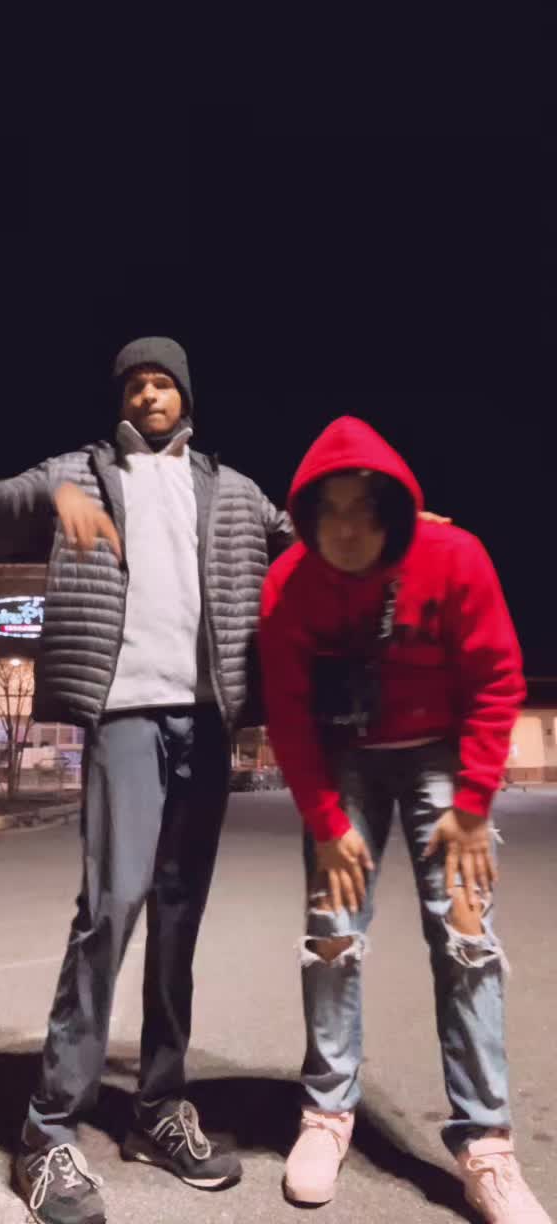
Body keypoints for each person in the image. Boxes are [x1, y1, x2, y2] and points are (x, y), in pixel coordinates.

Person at [0, 337, 293, 1224]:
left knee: (180, 921)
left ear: (186, 396)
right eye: (137, 383)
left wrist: (400, 530)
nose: (150, 394)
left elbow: (314, 547)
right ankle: (48, 1131)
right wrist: (52, 496)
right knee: (111, 910)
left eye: (163, 382)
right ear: (121, 399)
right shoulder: (80, 470)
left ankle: (158, 1107)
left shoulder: (232, 488)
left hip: (206, 719)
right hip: (125, 714)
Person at [259, 416, 551, 1223]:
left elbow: (497, 678)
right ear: (306, 516)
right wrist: (325, 820)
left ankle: (486, 1145)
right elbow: (286, 709)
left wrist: (472, 804)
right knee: (332, 934)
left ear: (395, 509)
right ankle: (326, 1113)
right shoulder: (289, 582)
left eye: (364, 508)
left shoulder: (454, 557)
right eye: (329, 510)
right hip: (341, 757)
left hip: (440, 755)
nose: (347, 528)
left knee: (465, 935)